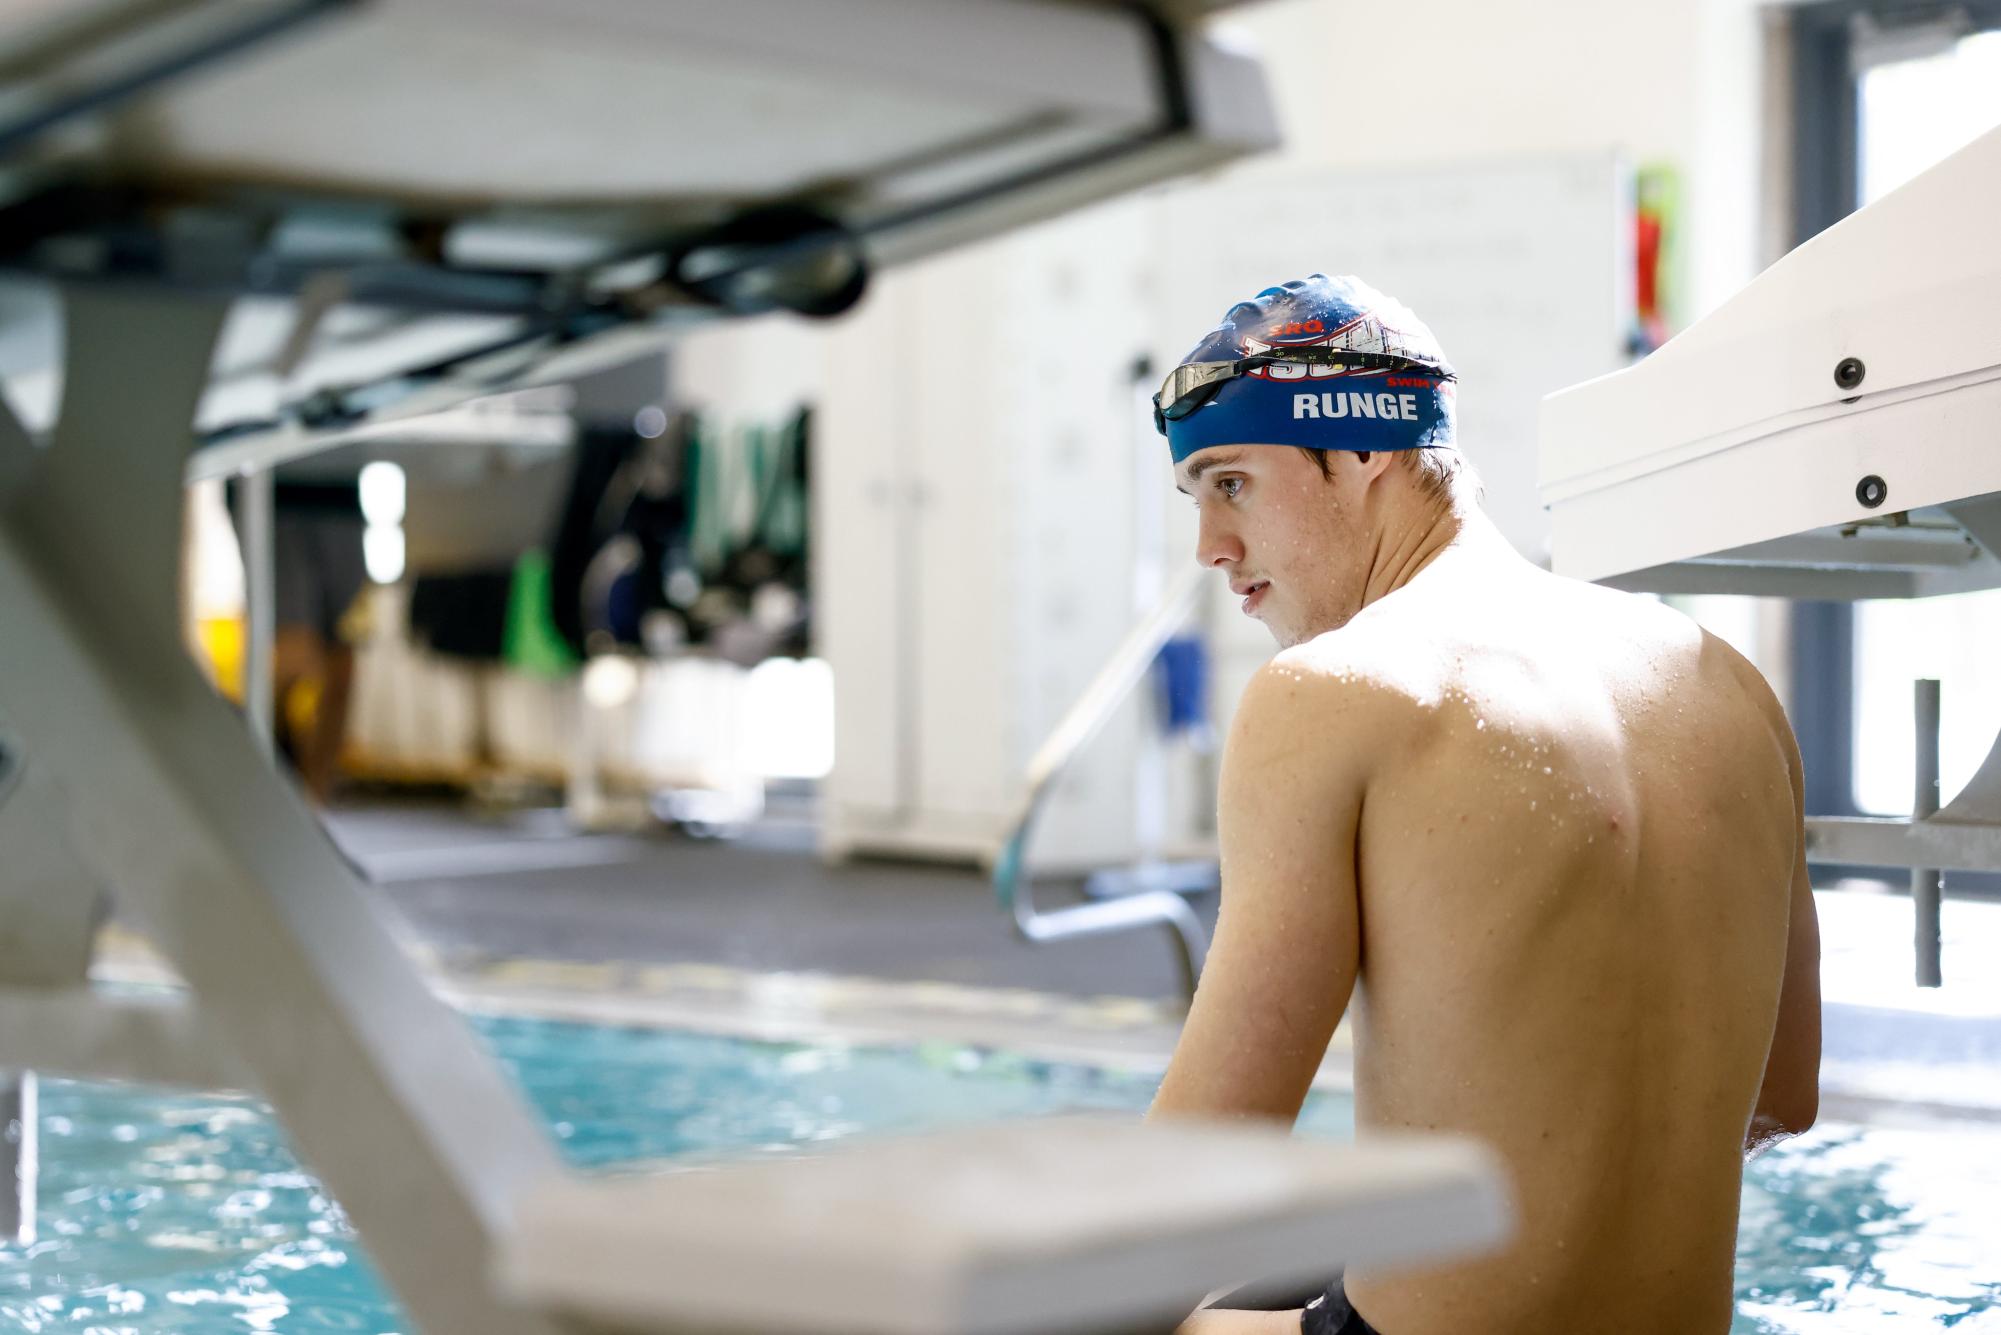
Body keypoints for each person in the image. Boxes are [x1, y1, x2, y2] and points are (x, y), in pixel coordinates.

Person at [1145, 276, 1821, 1335]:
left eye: (1230, 483)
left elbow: (1186, 1179)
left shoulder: (1334, 692)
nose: (1211, 549)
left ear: (1364, 450)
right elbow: (1785, 1097)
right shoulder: (1724, 680)